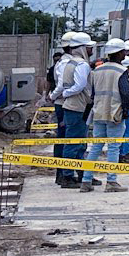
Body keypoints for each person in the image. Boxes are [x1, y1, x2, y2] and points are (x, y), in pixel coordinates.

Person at [84, 38, 129, 193]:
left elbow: (93, 93)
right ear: (118, 53)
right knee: (113, 147)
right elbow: (125, 93)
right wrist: (125, 112)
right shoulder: (121, 71)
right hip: (115, 114)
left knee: (95, 147)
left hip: (98, 113)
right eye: (123, 51)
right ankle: (111, 181)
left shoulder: (97, 70)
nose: (125, 54)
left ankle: (86, 180)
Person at [49, 31, 94, 188]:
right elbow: (65, 86)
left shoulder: (71, 62)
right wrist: (57, 96)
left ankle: (81, 173)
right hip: (70, 105)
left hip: (76, 104)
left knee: (78, 141)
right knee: (69, 140)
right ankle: (65, 175)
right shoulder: (70, 63)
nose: (91, 51)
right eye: (89, 47)